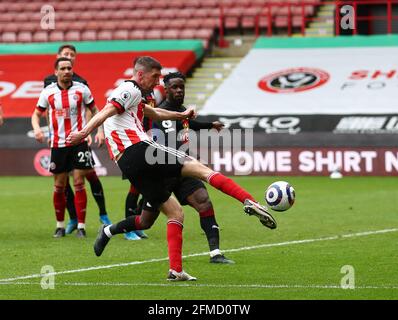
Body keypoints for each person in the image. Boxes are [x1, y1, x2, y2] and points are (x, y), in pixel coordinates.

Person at [66, 56, 277, 281]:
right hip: (140, 150)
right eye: (155, 76)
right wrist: (84, 132)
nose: (158, 81)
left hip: (126, 163)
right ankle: (249, 200)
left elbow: (153, 113)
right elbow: (107, 110)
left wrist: (181, 115)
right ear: (140, 74)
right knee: (199, 168)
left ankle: (170, 267)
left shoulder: (137, 99)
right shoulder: (130, 88)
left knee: (167, 214)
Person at [129, 72, 234, 264]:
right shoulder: (156, 114)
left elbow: (189, 124)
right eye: (174, 87)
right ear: (166, 89)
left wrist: (210, 125)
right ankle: (110, 230)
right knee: (146, 222)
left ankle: (216, 253)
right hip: (162, 173)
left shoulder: (183, 112)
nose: (179, 90)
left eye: (181, 87)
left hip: (182, 169)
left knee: (204, 203)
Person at [32, 57, 103, 238]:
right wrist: (37, 129)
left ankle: (81, 226)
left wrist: (99, 130)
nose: (66, 71)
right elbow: (36, 114)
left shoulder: (82, 89)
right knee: (59, 185)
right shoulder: (48, 92)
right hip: (58, 144)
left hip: (78, 142)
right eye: (62, 68)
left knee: (79, 181)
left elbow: (96, 111)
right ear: (56, 72)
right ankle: (60, 226)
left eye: (69, 68)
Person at [44, 44, 112, 234]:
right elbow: (47, 109)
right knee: (63, 181)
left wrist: (89, 131)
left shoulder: (81, 83)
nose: (69, 58)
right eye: (66, 55)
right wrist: (50, 131)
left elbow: (89, 109)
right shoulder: (47, 84)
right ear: (57, 60)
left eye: (72, 56)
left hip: (79, 136)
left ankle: (102, 213)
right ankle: (72, 219)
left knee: (88, 175)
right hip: (58, 139)